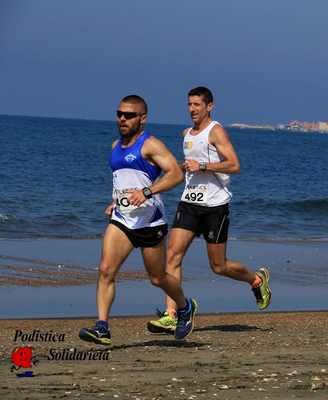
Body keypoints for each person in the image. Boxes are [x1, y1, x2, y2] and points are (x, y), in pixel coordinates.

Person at [147, 86, 271, 334]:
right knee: (173, 255)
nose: (192, 109)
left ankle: (256, 280)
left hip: (215, 206)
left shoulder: (216, 132)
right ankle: (173, 314)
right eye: (189, 104)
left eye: (197, 105)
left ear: (209, 106)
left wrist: (202, 165)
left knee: (219, 266)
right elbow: (189, 165)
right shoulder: (187, 133)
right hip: (189, 202)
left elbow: (234, 165)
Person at [79, 95, 198, 345]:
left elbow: (175, 174)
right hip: (122, 220)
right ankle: (102, 327)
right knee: (105, 270)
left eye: (129, 115)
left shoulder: (150, 145)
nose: (123, 118)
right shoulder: (115, 146)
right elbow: (123, 181)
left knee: (157, 279)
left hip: (150, 222)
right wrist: (116, 201)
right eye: (120, 114)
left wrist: (147, 192)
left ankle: (184, 307)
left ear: (142, 118)